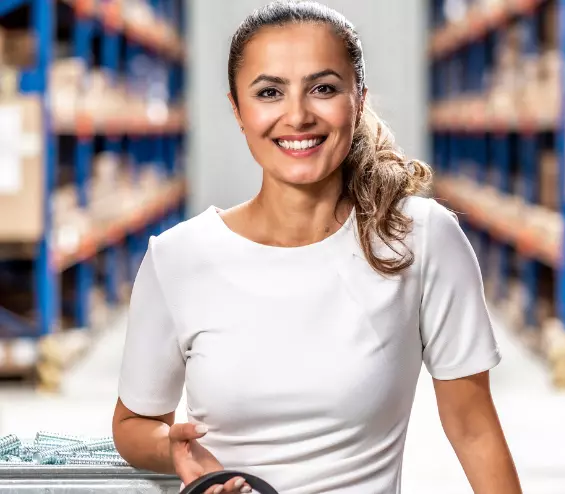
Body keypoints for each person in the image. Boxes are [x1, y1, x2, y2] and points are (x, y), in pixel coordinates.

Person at [112, 1, 522, 493]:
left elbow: (474, 429)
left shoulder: (419, 238)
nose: (298, 115)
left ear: (359, 99)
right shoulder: (177, 258)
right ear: (237, 109)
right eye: (269, 92)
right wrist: (176, 451)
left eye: (323, 88)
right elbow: (134, 425)